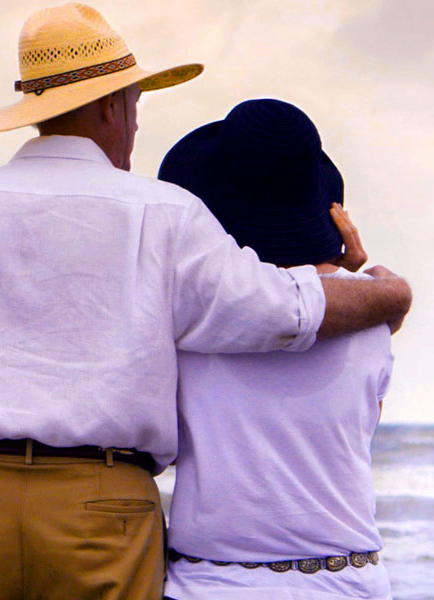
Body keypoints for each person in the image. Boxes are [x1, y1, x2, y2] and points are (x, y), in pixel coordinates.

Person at [0, 6, 412, 600]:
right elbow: (281, 310)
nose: (137, 124)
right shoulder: (165, 215)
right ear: (110, 105)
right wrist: (386, 292)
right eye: (136, 103)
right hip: (102, 505)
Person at [154, 99, 397, 599]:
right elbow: (360, 421)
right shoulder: (371, 319)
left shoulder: (186, 317)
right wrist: (344, 268)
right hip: (347, 580)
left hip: (212, 581)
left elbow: (169, 448)